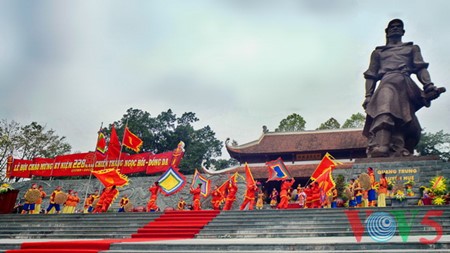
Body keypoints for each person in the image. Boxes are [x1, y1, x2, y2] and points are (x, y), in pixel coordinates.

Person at [363, 19, 445, 158]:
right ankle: (382, 145)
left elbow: (420, 68)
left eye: (398, 26)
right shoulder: (378, 53)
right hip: (387, 82)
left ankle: (401, 144)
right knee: (385, 107)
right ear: (387, 32)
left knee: (407, 120)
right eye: (392, 27)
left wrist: (428, 85)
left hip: (406, 84)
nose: (395, 28)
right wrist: (368, 96)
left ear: (403, 31)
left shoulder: (412, 48)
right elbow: (371, 75)